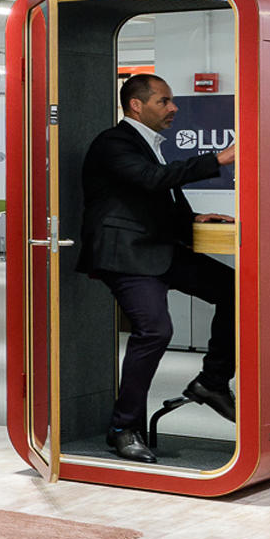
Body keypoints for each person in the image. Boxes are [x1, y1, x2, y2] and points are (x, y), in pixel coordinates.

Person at [80, 72, 237, 464]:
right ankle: (123, 429)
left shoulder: (149, 144)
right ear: (137, 105)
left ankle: (212, 382)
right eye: (163, 101)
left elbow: (151, 199)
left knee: (236, 290)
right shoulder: (113, 142)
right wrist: (218, 159)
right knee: (155, 330)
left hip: (160, 248)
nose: (173, 108)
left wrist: (193, 219)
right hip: (127, 255)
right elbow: (151, 180)